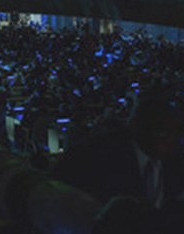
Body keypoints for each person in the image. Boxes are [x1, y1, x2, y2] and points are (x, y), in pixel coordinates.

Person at [53, 89, 184, 231]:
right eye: (162, 131)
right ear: (137, 125)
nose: (171, 138)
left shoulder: (175, 160)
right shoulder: (97, 156)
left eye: (177, 132)